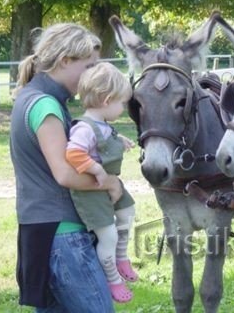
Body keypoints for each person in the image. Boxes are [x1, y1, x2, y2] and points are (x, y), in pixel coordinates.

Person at [10, 23, 121, 313]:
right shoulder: (45, 106)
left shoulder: (29, 98)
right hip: (64, 235)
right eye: (89, 66)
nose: (92, 75)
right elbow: (64, 173)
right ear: (65, 61)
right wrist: (110, 182)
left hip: (43, 232)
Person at [66, 62, 138, 304]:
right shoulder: (84, 128)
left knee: (128, 210)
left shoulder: (102, 124)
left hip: (108, 185)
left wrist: (122, 140)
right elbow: (74, 154)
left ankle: (121, 257)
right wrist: (97, 170)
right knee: (108, 236)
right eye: (122, 103)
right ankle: (112, 279)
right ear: (107, 101)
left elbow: (107, 138)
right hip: (92, 192)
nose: (123, 108)